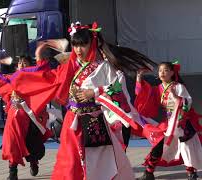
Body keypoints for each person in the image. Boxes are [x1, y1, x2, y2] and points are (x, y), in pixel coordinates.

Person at [10, 22, 156, 180]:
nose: (78, 50)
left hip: (94, 121)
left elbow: (118, 91)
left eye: (83, 45)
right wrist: (23, 85)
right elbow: (50, 79)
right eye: (75, 45)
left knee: (99, 164)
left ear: (92, 43)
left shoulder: (104, 67)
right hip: (72, 121)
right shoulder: (71, 64)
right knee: (70, 163)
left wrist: (93, 92)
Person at [135, 62, 202, 180]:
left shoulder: (178, 87)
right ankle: (149, 173)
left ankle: (191, 173)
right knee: (159, 145)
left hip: (182, 122)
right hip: (169, 122)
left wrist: (176, 97)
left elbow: (188, 102)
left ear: (172, 73)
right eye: (160, 70)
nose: (162, 72)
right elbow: (145, 94)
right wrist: (139, 78)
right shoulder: (158, 89)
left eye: (166, 70)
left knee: (186, 148)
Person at [0, 55, 52, 180]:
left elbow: (44, 72)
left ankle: (33, 161)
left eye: (25, 63)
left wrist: (40, 53)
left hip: (31, 116)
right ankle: (13, 172)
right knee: (12, 142)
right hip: (15, 116)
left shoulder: (35, 78)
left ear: (31, 66)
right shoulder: (11, 78)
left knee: (33, 144)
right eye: (20, 63)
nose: (22, 65)